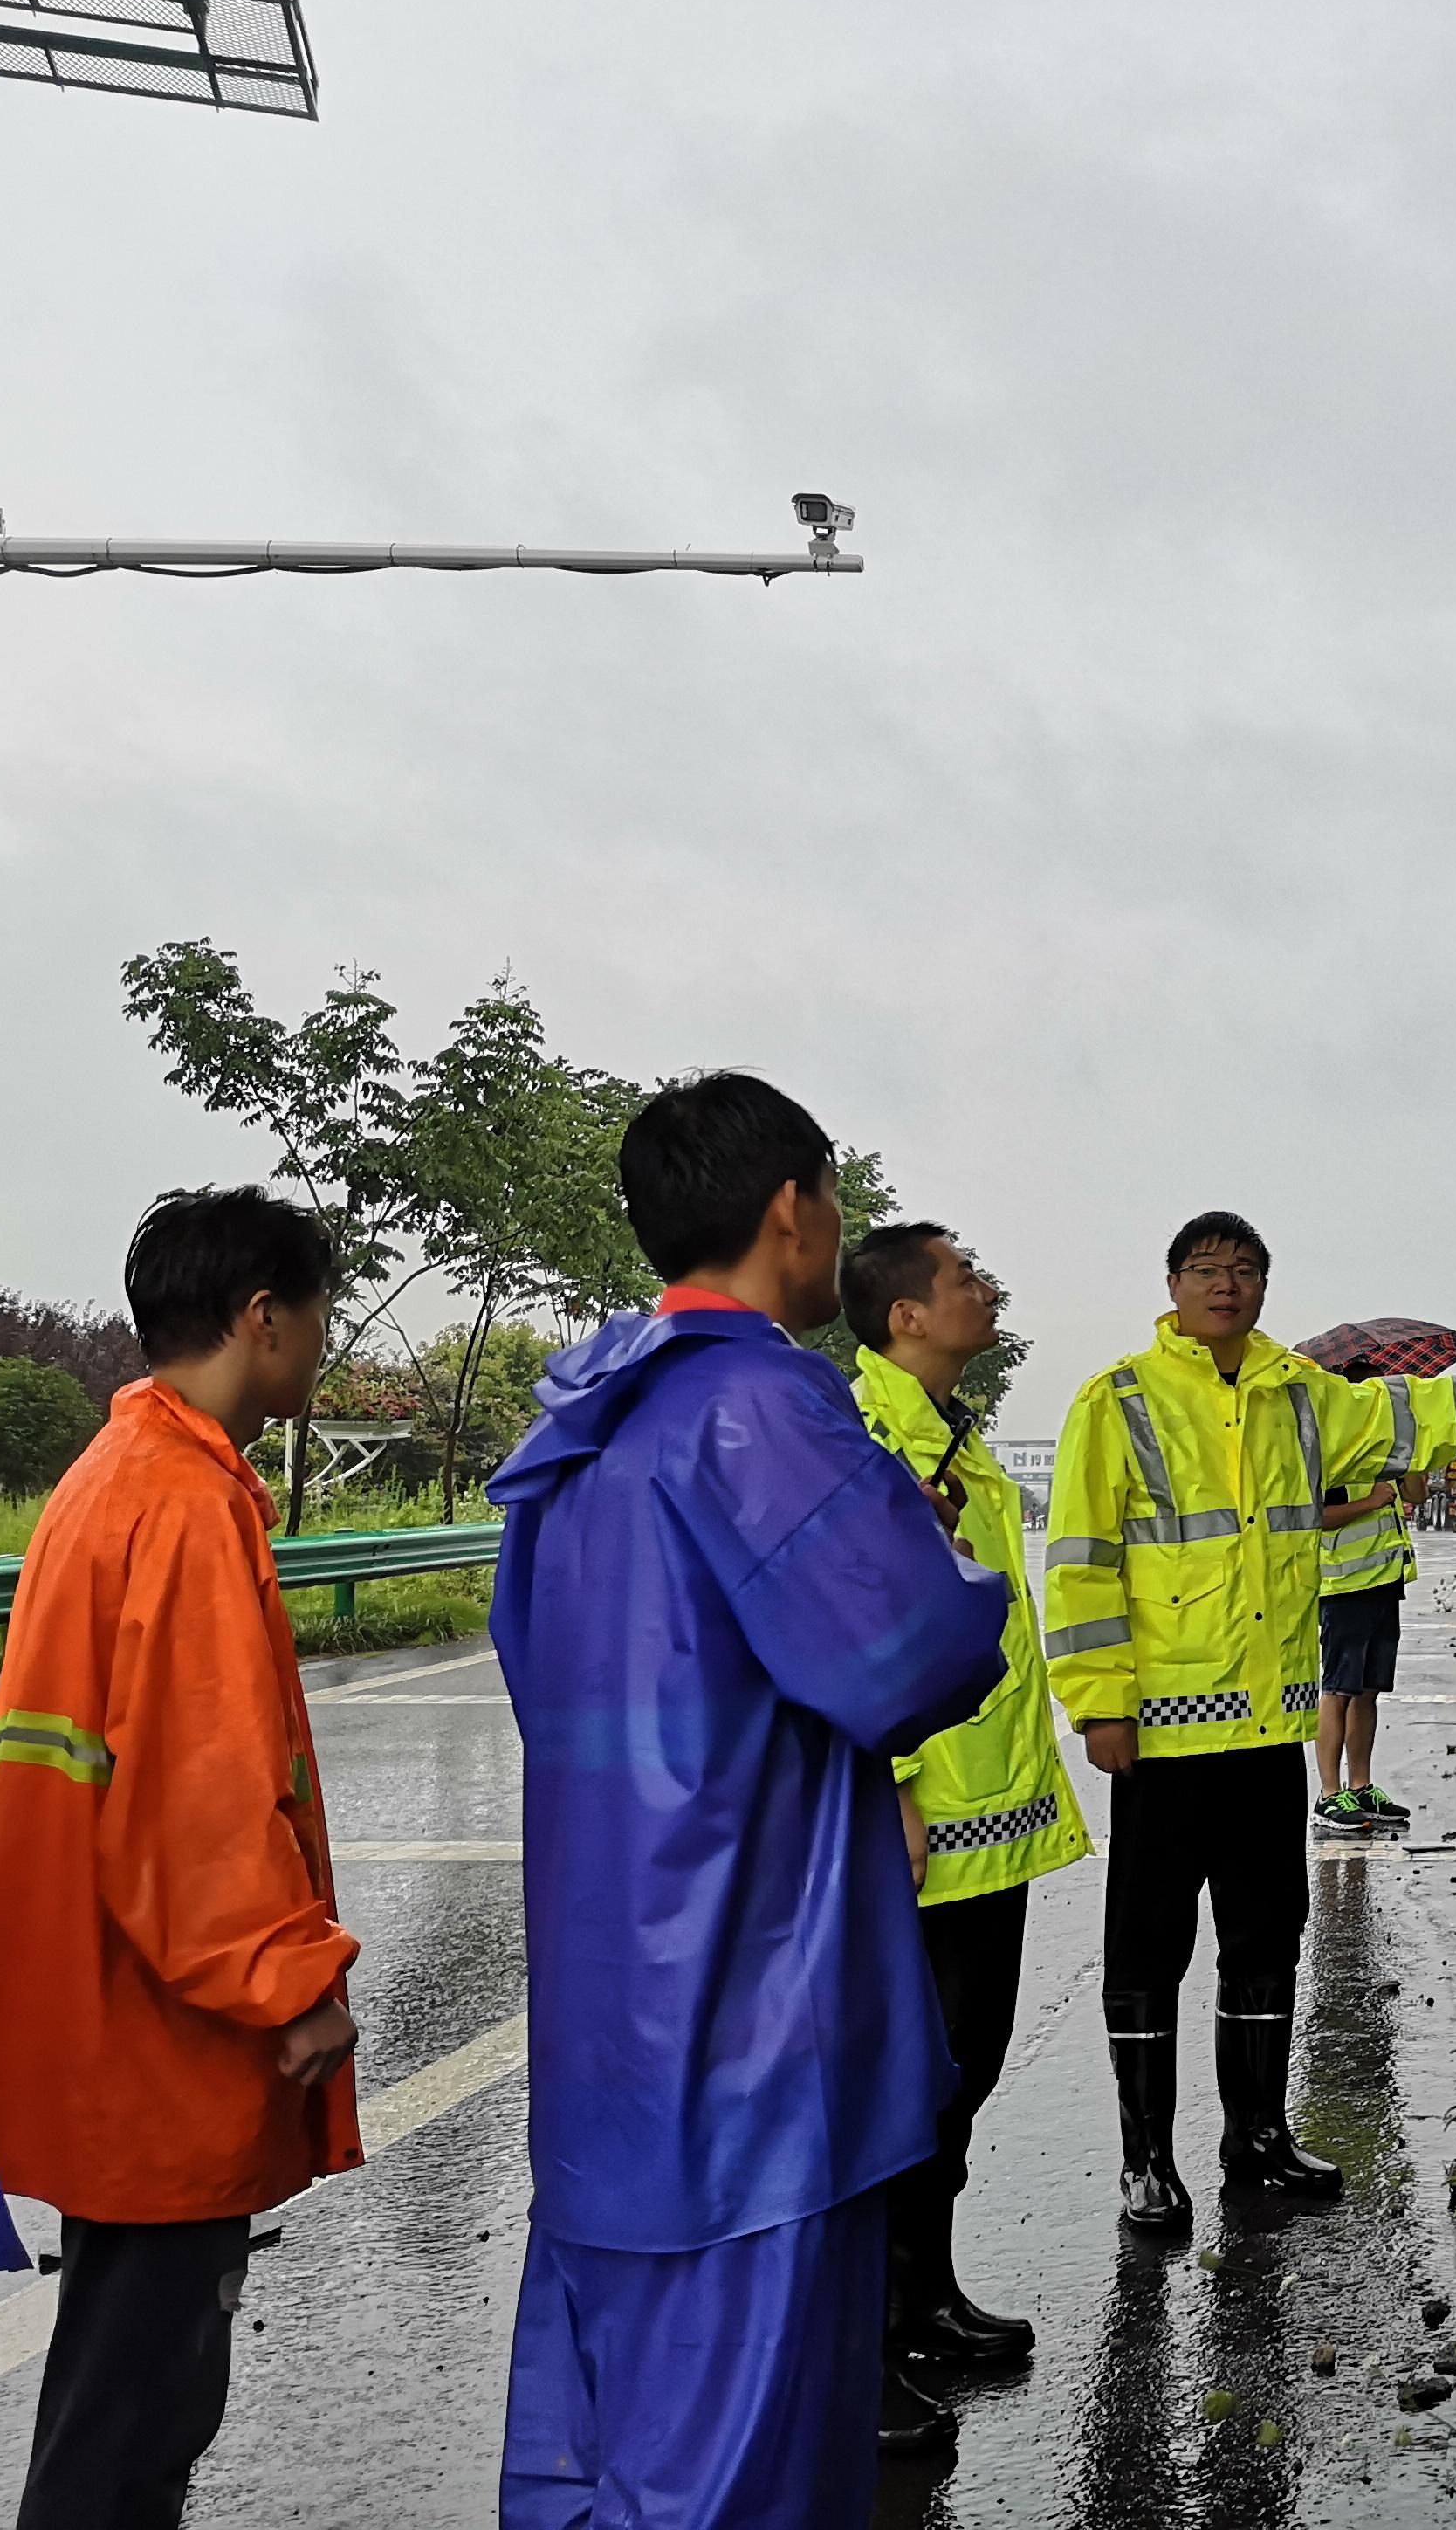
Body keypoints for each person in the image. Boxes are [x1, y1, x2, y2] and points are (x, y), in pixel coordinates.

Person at [488, 1076, 1010, 2522]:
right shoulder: (757, 1406)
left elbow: (544, 1676)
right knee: (746, 2439)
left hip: (613, 2003)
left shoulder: (583, 1424)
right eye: (831, 1199)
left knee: (603, 2423)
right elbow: (905, 1649)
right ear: (792, 1209)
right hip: (752, 2000)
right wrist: (939, 1560)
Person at [1043, 1209, 1456, 2229]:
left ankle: (1255, 2137)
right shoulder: (1114, 1402)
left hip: (1263, 1732)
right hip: (1161, 1734)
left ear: (1263, 1287)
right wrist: (1098, 1707)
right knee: (1149, 1945)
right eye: (1206, 1269)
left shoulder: (1301, 1397)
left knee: (1266, 1934)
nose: (1226, 1285)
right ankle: (1146, 2161)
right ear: (1171, 1285)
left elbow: (1417, 1414)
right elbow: (1080, 1562)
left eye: (1245, 1270)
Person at [0, 1186, 362, 2530]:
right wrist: (292, 1977)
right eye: (316, 1311)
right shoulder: (181, 1502)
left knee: (122, 2384)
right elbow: (198, 1796)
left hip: (107, 1999)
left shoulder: (116, 1475)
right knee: (137, 2410)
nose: (322, 1335)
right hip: (162, 2027)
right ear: (262, 1318)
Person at [839, 1222, 1092, 2416]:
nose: (988, 1292)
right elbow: (856, 1638)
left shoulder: (954, 1441)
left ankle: (924, 2294)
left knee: (963, 2067)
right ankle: (872, 2330)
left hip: (987, 1815)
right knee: (907, 2081)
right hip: (921, 1822)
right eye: (964, 1280)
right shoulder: (869, 1443)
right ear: (905, 1315)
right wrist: (888, 1783)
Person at [1309, 1377, 1418, 1837]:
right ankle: (1329, 1796)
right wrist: (1372, 1501)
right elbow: (1312, 1515)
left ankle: (1361, 1784)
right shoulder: (1330, 1452)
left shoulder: (1383, 1449)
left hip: (1384, 1583)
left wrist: (1411, 1451)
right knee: (1338, 1689)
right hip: (1343, 1587)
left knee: (1369, 1690)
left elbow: (1417, 1495)